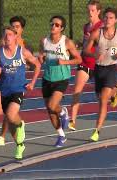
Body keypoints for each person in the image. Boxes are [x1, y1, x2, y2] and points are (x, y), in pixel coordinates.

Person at [0, 26, 41, 159]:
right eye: (5, 35)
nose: (7, 37)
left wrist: (32, 82)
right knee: (10, 122)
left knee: (12, 115)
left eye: (10, 35)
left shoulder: (22, 51)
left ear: (15, 37)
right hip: (3, 90)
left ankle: (21, 124)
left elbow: (38, 65)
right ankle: (20, 145)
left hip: (18, 89)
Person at [84, 7, 117, 142]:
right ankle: (116, 89)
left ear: (116, 20)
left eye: (111, 18)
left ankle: (96, 131)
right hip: (98, 69)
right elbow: (86, 50)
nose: (107, 20)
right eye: (106, 17)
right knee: (101, 97)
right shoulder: (96, 34)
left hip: (111, 68)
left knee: (103, 101)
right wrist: (94, 54)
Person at [38, 15, 82, 147]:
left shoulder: (67, 42)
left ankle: (62, 111)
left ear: (62, 28)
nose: (53, 26)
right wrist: (41, 59)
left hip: (61, 79)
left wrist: (65, 62)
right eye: (52, 24)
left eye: (57, 25)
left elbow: (78, 59)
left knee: (52, 106)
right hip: (47, 78)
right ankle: (61, 135)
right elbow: (41, 55)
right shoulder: (44, 41)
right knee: (50, 110)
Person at [69, 0, 104, 131]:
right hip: (84, 63)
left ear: (98, 12)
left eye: (93, 10)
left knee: (101, 97)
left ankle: (116, 88)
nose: (90, 13)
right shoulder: (86, 27)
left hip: (98, 65)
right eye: (88, 10)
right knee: (76, 91)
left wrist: (93, 41)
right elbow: (85, 44)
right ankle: (72, 120)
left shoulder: (102, 27)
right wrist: (78, 44)